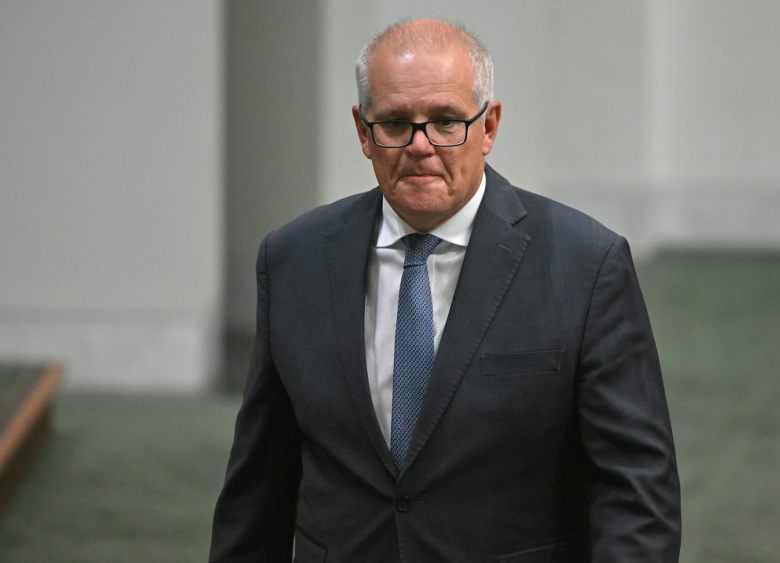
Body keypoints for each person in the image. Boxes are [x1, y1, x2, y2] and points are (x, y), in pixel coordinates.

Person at [210, 18, 681, 563]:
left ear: (489, 127)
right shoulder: (295, 260)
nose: (420, 145)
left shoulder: (584, 265)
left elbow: (636, 491)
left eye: (446, 121)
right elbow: (260, 486)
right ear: (363, 131)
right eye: (395, 123)